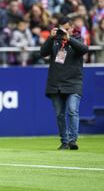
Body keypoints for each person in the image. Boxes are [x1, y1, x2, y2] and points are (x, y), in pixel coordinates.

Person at [40, 16, 89, 150]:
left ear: (72, 28)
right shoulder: (54, 41)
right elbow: (42, 53)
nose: (64, 32)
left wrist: (69, 38)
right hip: (55, 82)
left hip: (73, 82)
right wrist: (50, 38)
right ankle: (64, 141)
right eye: (62, 29)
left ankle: (73, 140)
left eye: (67, 29)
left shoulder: (77, 39)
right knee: (59, 114)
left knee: (72, 110)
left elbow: (84, 49)